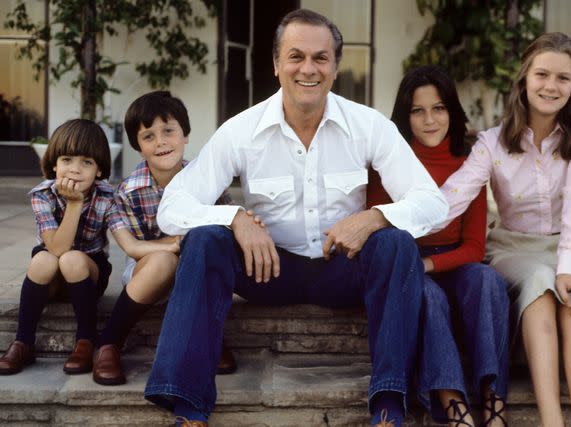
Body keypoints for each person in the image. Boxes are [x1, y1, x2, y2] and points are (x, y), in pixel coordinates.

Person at [143, 8, 448, 427]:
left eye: (321, 58)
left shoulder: (368, 125)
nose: (309, 68)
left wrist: (374, 217)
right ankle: (189, 408)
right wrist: (235, 218)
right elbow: (172, 208)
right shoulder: (241, 130)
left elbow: (433, 203)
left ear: (336, 66)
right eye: (296, 56)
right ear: (276, 64)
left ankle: (388, 406)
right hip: (268, 269)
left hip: (343, 268)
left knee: (395, 241)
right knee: (204, 239)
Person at [436, 33, 571, 426]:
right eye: (542, 74)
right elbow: (451, 199)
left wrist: (569, 267)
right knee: (540, 280)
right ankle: (550, 420)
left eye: (563, 78)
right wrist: (386, 221)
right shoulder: (492, 142)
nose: (551, 86)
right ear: (524, 78)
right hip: (513, 247)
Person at [368, 65, 510, 427]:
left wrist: (432, 265)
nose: (430, 120)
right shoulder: (389, 161)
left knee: (488, 281)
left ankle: (494, 401)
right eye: (418, 111)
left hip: (452, 262)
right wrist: (420, 268)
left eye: (439, 108)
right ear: (405, 116)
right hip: (407, 264)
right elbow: (382, 232)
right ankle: (453, 406)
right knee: (428, 296)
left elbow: (475, 247)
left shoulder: (470, 161)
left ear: (452, 111)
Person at [0, 119, 178, 376]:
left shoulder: (108, 196)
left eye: (87, 162)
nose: (75, 169)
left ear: (99, 170)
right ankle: (23, 342)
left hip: (87, 271)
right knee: (44, 260)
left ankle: (86, 339)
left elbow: (124, 242)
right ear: (54, 164)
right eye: (67, 160)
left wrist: (172, 244)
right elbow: (57, 248)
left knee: (72, 259)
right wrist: (74, 204)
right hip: (50, 274)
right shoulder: (42, 195)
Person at [92, 91, 237, 386]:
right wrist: (175, 245)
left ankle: (207, 336)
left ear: (185, 135)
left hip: (197, 270)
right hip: (148, 273)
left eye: (169, 131)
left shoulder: (209, 181)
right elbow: (135, 250)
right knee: (162, 261)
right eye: (149, 136)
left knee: (208, 256)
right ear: (139, 147)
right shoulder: (129, 191)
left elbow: (223, 234)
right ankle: (108, 342)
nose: (161, 142)